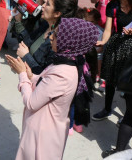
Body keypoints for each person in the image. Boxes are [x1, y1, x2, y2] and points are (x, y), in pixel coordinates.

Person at [7, 17, 98, 160]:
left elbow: (31, 102)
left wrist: (22, 75)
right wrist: (31, 76)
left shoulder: (62, 72)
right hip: (47, 129)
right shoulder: (69, 61)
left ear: (68, 41)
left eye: (55, 35)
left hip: (42, 133)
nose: (50, 38)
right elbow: (47, 83)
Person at [13, 0, 79, 74]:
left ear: (57, 13)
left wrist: (26, 56)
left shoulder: (57, 42)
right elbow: (26, 43)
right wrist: (18, 21)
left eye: (47, 4)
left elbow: (44, 73)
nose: (43, 6)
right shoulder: (45, 25)